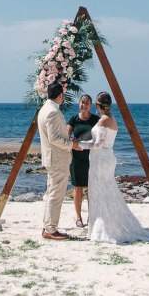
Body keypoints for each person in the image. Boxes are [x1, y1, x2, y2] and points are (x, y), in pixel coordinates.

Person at [83, 91, 149, 244]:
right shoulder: (113, 119)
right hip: (108, 157)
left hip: (101, 160)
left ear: (97, 105)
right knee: (107, 191)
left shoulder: (103, 121)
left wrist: (80, 145)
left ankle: (103, 229)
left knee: (99, 192)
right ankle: (105, 225)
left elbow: (97, 144)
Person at [37, 80, 79, 241]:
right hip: (57, 158)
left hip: (52, 157)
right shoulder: (53, 111)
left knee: (51, 192)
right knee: (56, 194)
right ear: (60, 95)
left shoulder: (44, 109)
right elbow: (54, 138)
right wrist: (71, 144)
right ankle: (51, 229)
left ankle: (48, 225)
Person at [67, 94, 100, 228]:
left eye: (86, 103)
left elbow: (100, 136)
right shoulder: (74, 119)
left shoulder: (96, 119)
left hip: (92, 156)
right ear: (79, 104)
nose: (84, 105)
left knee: (91, 188)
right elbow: (66, 134)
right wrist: (71, 141)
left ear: (91, 105)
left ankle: (91, 217)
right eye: (82, 102)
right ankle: (78, 217)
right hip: (76, 157)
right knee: (78, 187)